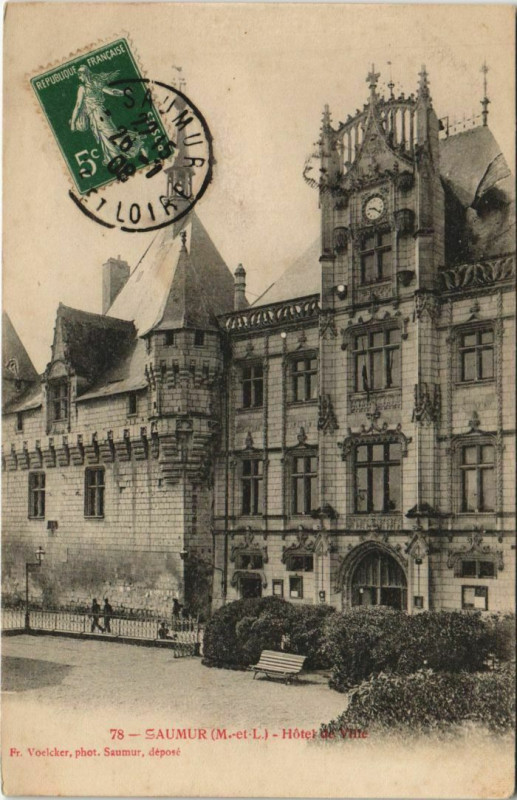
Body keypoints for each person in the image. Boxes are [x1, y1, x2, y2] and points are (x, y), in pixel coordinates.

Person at [69, 65, 147, 167]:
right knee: (104, 136)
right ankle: (115, 158)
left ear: (84, 75)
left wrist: (73, 122)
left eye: (80, 75)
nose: (79, 78)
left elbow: (78, 106)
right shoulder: (96, 83)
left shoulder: (82, 88)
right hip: (100, 114)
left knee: (112, 135)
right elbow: (112, 91)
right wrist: (123, 93)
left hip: (97, 115)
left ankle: (135, 144)